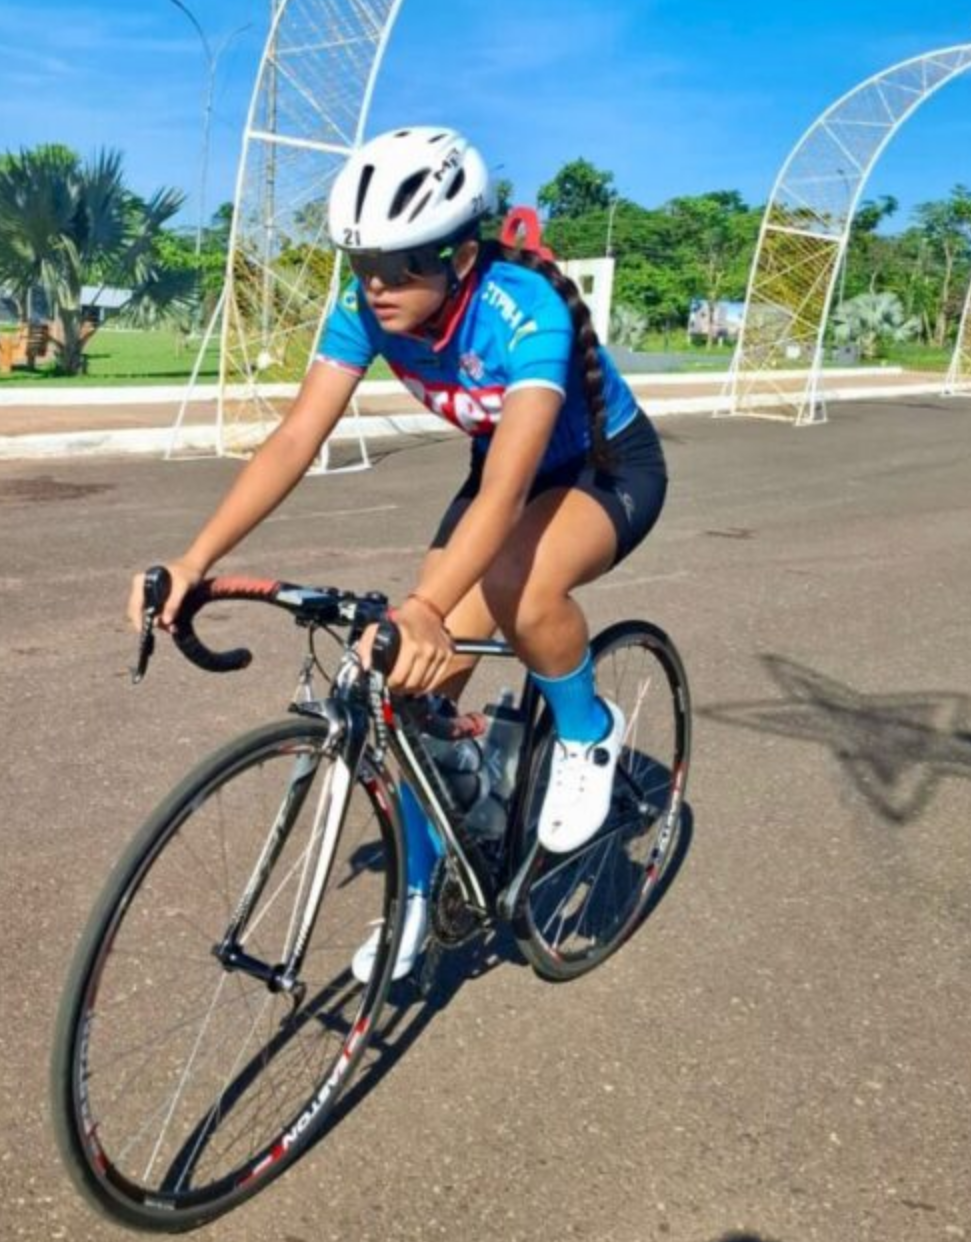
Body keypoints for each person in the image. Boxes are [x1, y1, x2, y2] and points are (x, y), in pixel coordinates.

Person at [128, 127, 668, 983]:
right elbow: (295, 437)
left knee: (516, 589)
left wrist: (423, 606)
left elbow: (505, 495)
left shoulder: (519, 311)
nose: (377, 286)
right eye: (363, 264)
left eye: (401, 265)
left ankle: (584, 730)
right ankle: (423, 893)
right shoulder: (365, 313)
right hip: (505, 470)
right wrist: (195, 559)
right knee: (406, 697)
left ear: (458, 256)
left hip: (604, 469)